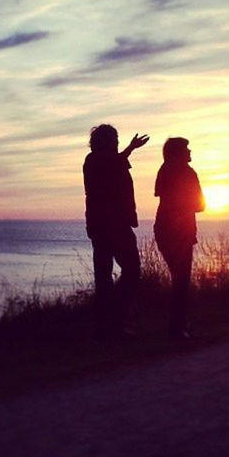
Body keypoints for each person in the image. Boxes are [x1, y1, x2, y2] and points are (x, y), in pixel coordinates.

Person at [83, 124, 149, 340]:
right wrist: (130, 149)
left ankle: (107, 326)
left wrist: (129, 150)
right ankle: (112, 323)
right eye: (115, 138)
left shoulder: (103, 160)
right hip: (112, 226)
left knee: (106, 276)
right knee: (130, 270)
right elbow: (113, 166)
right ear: (105, 140)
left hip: (105, 226)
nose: (117, 142)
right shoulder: (95, 160)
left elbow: (116, 165)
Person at [153, 137, 205, 340]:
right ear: (177, 152)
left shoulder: (164, 169)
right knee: (181, 280)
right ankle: (177, 328)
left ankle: (178, 324)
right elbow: (200, 205)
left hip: (164, 229)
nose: (190, 151)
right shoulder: (187, 172)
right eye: (186, 148)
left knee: (179, 279)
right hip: (180, 232)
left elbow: (165, 198)